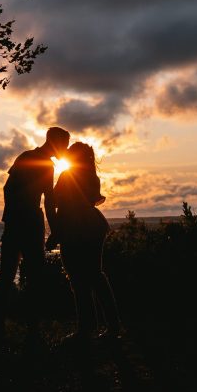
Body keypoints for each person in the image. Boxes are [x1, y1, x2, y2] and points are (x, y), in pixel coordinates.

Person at [0, 125, 70, 339]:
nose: (66, 149)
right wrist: (54, 230)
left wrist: (12, 214)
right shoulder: (40, 161)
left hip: (17, 220)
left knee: (9, 272)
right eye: (65, 144)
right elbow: (49, 200)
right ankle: (30, 328)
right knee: (33, 275)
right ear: (56, 143)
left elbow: (8, 188)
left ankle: (4, 325)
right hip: (27, 220)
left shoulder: (27, 156)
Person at [49, 141, 121, 342]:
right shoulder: (92, 177)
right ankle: (111, 325)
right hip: (94, 225)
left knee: (79, 279)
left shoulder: (67, 176)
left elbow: (60, 205)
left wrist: (55, 235)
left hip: (76, 227)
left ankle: (87, 329)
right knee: (95, 275)